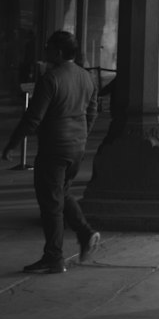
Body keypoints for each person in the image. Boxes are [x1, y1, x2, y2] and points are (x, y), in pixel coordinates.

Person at [2, 30, 101, 273]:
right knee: (61, 193)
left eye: (48, 48)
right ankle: (86, 233)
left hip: (54, 148)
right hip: (76, 148)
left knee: (50, 204)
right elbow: (93, 111)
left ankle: (54, 257)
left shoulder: (51, 79)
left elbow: (33, 118)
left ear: (57, 51)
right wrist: (83, 135)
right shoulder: (86, 77)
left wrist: (12, 144)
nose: (45, 52)